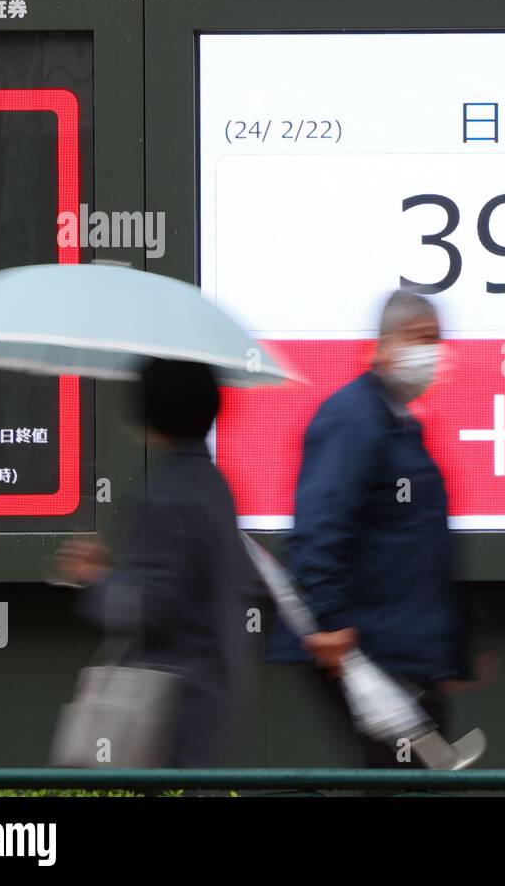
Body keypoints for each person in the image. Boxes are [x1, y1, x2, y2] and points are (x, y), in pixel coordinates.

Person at [268, 288, 481, 767]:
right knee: (396, 778)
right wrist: (329, 619)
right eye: (419, 338)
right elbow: (320, 523)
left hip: (403, 649)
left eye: (437, 340)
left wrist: (450, 652)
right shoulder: (353, 418)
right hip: (368, 649)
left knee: (401, 777)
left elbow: (420, 546)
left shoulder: (399, 424)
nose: (433, 353)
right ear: (383, 346)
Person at [53, 356, 257, 768]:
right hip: (210, 698)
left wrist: (94, 577)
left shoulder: (163, 493)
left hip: (165, 711)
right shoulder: (213, 484)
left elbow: (149, 608)